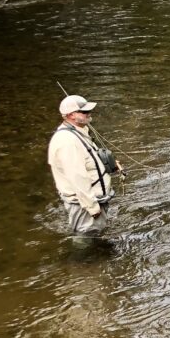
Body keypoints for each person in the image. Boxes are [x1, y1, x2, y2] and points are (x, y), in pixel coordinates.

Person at [47, 94, 117, 237]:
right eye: (84, 112)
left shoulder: (79, 131)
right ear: (71, 115)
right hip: (85, 204)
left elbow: (89, 161)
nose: (89, 114)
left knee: (95, 236)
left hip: (94, 199)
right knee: (86, 239)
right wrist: (93, 208)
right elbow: (77, 178)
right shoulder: (67, 141)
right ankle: (78, 259)